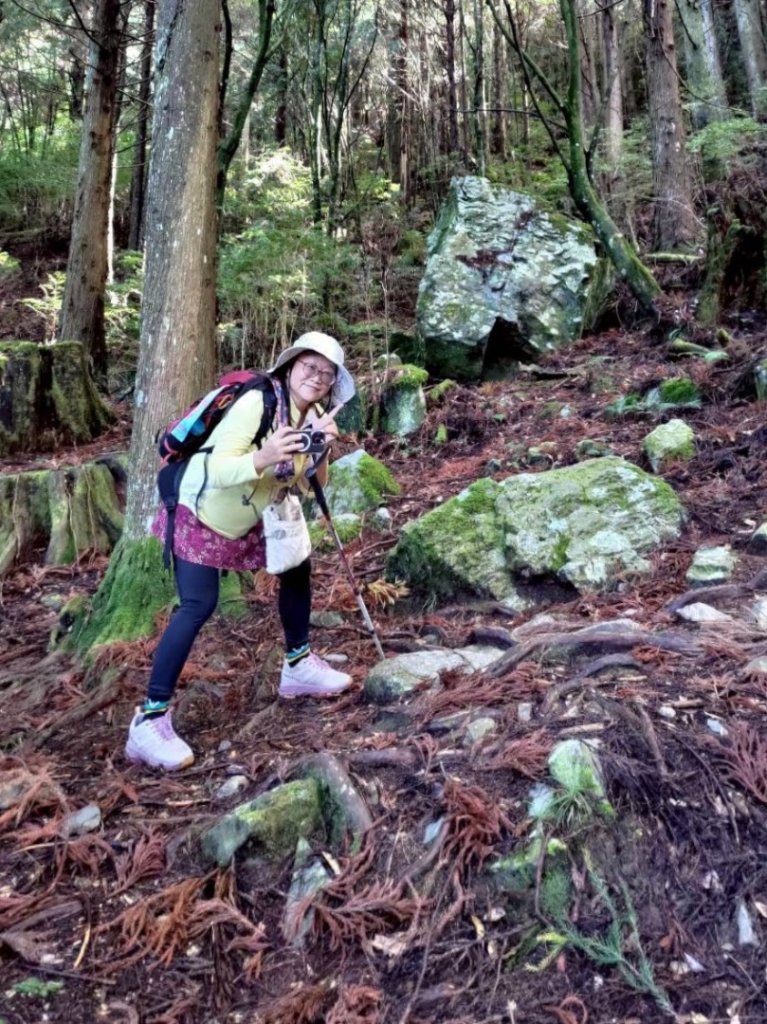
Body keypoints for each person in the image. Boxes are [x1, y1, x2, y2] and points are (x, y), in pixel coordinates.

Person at [125, 332, 356, 771]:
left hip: (253, 512)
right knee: (198, 604)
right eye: (310, 367)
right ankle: (149, 721)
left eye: (327, 374)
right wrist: (264, 456)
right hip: (202, 509)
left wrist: (322, 449)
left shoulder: (313, 415)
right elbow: (217, 468)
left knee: (297, 568)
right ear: (290, 366)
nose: (317, 377)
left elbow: (315, 484)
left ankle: (298, 666)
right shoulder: (257, 402)